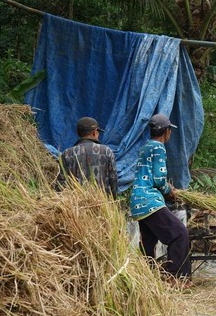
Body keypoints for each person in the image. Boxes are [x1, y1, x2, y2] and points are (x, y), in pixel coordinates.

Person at [129, 113, 192, 285]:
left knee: (148, 244)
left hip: (137, 202)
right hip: (149, 201)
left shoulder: (145, 147)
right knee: (180, 234)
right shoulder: (158, 147)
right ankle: (175, 276)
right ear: (167, 131)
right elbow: (158, 179)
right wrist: (168, 189)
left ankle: (146, 280)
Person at [56, 116, 118, 198]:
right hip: (102, 206)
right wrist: (114, 202)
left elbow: (61, 184)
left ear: (78, 133)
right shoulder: (107, 151)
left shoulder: (67, 154)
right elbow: (113, 180)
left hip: (76, 207)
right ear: (94, 132)